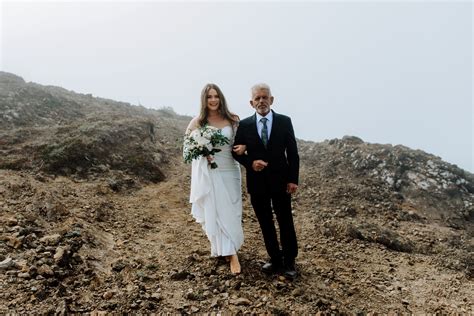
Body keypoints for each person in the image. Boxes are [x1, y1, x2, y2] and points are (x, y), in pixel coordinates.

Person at [232, 83, 299, 279]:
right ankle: (275, 259)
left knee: (285, 221)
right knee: (265, 223)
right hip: (257, 183)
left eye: (265, 97)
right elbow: (235, 152)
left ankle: (289, 262)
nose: (261, 101)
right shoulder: (244, 125)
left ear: (271, 100)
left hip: (281, 181)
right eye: (257, 98)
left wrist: (293, 179)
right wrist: (250, 162)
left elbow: (293, 154)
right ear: (251, 103)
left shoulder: (284, 121)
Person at [185, 83, 246, 274]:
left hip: (231, 169)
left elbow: (245, 142)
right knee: (216, 210)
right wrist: (201, 153)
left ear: (221, 98)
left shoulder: (233, 119)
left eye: (216, 96)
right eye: (209, 97)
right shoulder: (198, 122)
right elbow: (187, 148)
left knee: (233, 210)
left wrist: (245, 148)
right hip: (211, 171)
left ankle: (227, 247)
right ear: (204, 100)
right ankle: (231, 254)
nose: (213, 100)